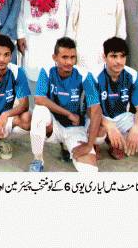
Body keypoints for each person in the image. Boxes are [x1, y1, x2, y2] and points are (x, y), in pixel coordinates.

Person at [29, 37, 100, 172]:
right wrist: (68, 113)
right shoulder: (47, 70)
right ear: (55, 57)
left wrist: (89, 145)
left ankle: (66, 147)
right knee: (39, 112)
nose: (69, 62)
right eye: (64, 57)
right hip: (53, 125)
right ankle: (37, 159)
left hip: (74, 128)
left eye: (72, 57)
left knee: (90, 171)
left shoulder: (84, 74)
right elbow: (39, 99)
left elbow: (96, 109)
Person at [17, 0, 74, 103]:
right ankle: (33, 113)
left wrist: (69, 37)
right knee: (32, 72)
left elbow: (70, 8)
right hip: (32, 37)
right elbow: (20, 10)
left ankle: (55, 115)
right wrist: (20, 34)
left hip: (57, 36)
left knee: (56, 73)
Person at [93, 37, 138, 160]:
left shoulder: (132, 74)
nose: (119, 61)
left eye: (122, 56)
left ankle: (115, 142)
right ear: (104, 57)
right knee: (97, 132)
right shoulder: (94, 75)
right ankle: (96, 144)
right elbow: (92, 109)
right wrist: (109, 126)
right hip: (99, 116)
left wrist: (136, 128)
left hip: (121, 116)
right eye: (114, 56)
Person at [67, 0, 126, 76]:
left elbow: (120, 18)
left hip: (109, 48)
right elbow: (72, 22)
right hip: (85, 48)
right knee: (85, 82)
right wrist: (71, 48)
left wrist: (120, 45)